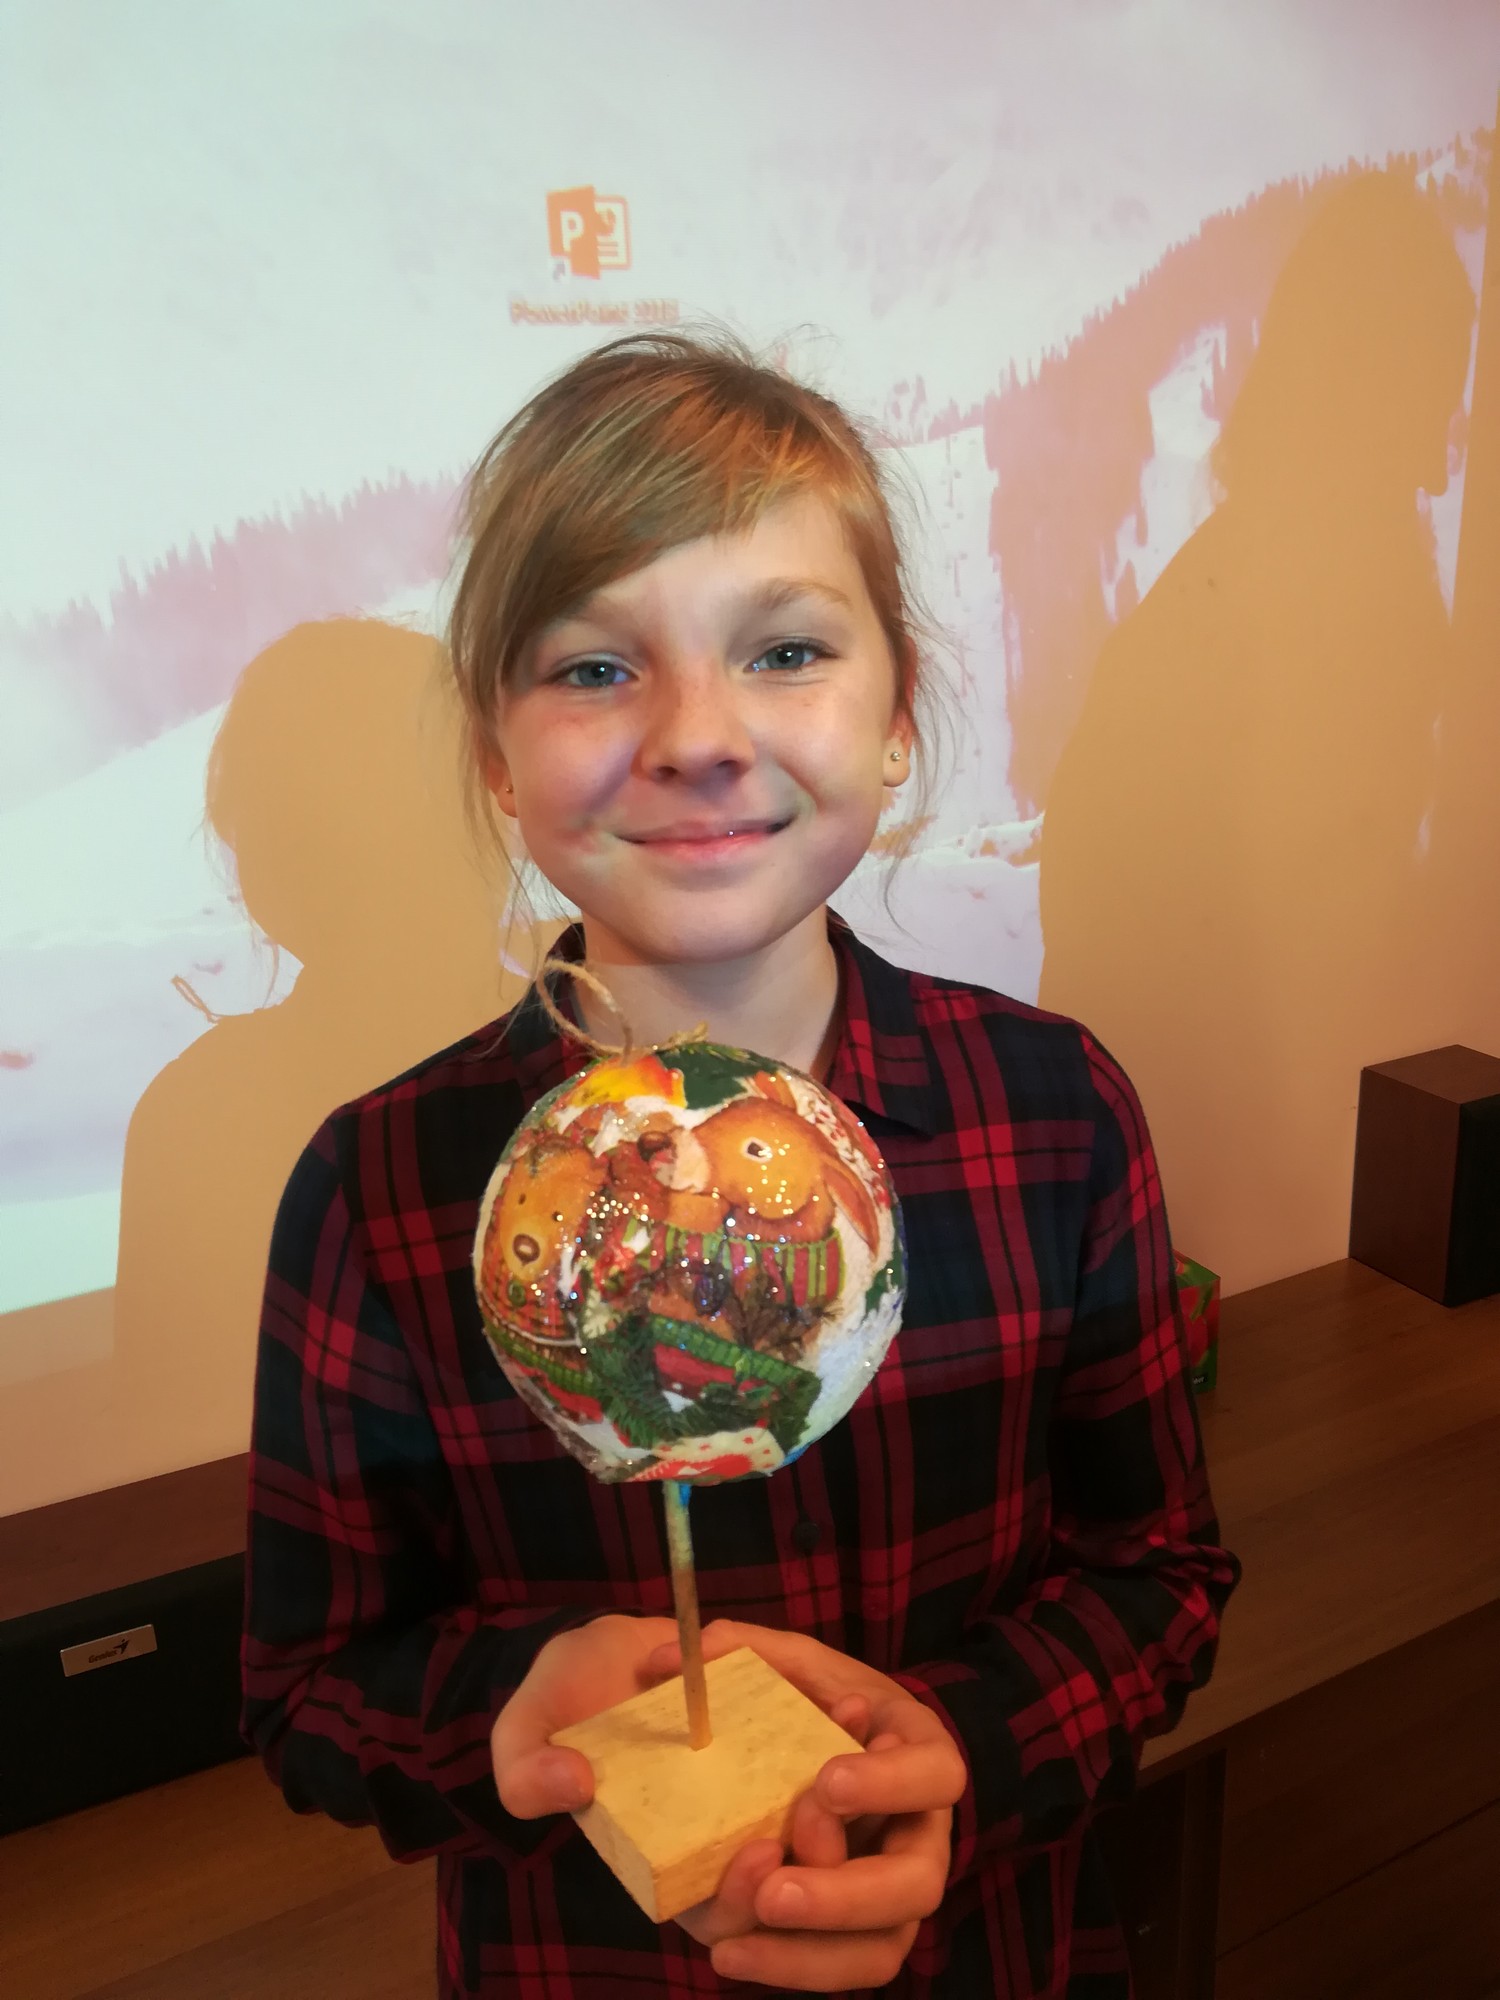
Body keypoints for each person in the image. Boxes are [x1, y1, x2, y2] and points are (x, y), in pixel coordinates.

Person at [241, 331, 1239, 1999]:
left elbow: (1159, 1575)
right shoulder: (382, 1189)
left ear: (897, 717)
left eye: (785, 650)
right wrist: (508, 1706)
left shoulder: (1055, 1113)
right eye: (593, 668)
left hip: (993, 1956)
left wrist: (968, 1750)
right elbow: (308, 1686)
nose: (700, 737)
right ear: (495, 756)